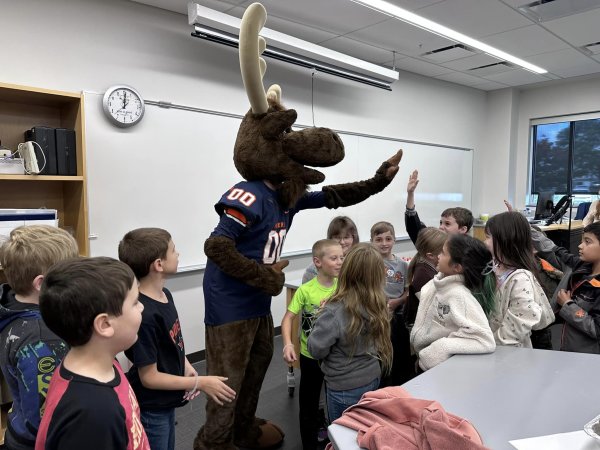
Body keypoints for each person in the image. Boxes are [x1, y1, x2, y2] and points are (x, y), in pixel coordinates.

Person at [119, 228, 235, 450]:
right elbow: (149, 378)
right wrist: (199, 382)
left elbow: (172, 341)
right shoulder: (145, 315)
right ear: (158, 264)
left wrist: (185, 364)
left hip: (166, 401)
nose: (178, 254)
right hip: (152, 406)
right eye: (173, 250)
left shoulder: (165, 295)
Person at [35, 257, 150, 450]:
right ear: (104, 325)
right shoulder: (92, 415)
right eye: (135, 302)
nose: (142, 307)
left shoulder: (106, 363)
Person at [0, 226, 78, 450]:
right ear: (42, 284)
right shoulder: (43, 339)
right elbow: (48, 418)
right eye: (70, 273)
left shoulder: (13, 305)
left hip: (19, 421)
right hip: (36, 442)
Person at [308, 243, 393, 423]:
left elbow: (316, 350)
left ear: (347, 271)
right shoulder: (380, 302)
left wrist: (321, 318)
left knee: (342, 434)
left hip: (343, 387)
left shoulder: (334, 310)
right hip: (372, 376)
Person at [281, 239, 343, 450]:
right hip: (310, 357)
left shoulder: (344, 287)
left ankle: (337, 439)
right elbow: (288, 318)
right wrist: (288, 344)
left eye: (341, 257)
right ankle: (308, 443)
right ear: (317, 261)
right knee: (308, 405)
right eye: (334, 258)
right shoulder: (305, 291)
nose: (339, 262)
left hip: (336, 357)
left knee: (336, 400)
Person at [410, 234, 496, 371]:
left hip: (438, 367)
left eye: (443, 253)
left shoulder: (459, 295)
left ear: (457, 267)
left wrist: (439, 349)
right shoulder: (438, 283)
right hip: (424, 361)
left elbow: (484, 340)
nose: (438, 255)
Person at [484, 212, 555, 347]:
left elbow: (524, 317)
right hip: (494, 346)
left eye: (488, 237)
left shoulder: (521, 278)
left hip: (508, 351)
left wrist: (493, 343)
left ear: (505, 240)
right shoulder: (494, 268)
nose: (484, 242)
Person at [532, 222, 600, 353]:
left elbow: (596, 329)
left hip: (587, 357)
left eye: (587, 242)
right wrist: (523, 225)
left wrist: (568, 305)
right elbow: (551, 247)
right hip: (569, 347)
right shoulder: (581, 266)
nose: (580, 246)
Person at [369, 221, 411, 385]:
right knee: (380, 356)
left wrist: (396, 302)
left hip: (397, 318)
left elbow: (407, 290)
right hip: (377, 317)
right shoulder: (371, 264)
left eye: (388, 239)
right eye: (379, 239)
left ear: (394, 240)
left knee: (398, 353)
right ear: (372, 241)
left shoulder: (402, 265)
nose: (384, 243)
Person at [405, 169, 474, 244]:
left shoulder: (469, 253)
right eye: (441, 223)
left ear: (463, 229)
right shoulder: (435, 245)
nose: (441, 227)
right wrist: (410, 193)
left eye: (447, 224)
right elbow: (414, 229)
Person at [404, 227, 447, 331]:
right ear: (431, 256)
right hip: (418, 326)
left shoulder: (427, 265)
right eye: (445, 252)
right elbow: (432, 307)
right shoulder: (423, 275)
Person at [302, 216, 358, 284]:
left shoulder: (360, 262)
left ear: (354, 238)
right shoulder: (313, 270)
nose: (342, 242)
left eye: (346, 237)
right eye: (337, 237)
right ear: (330, 238)